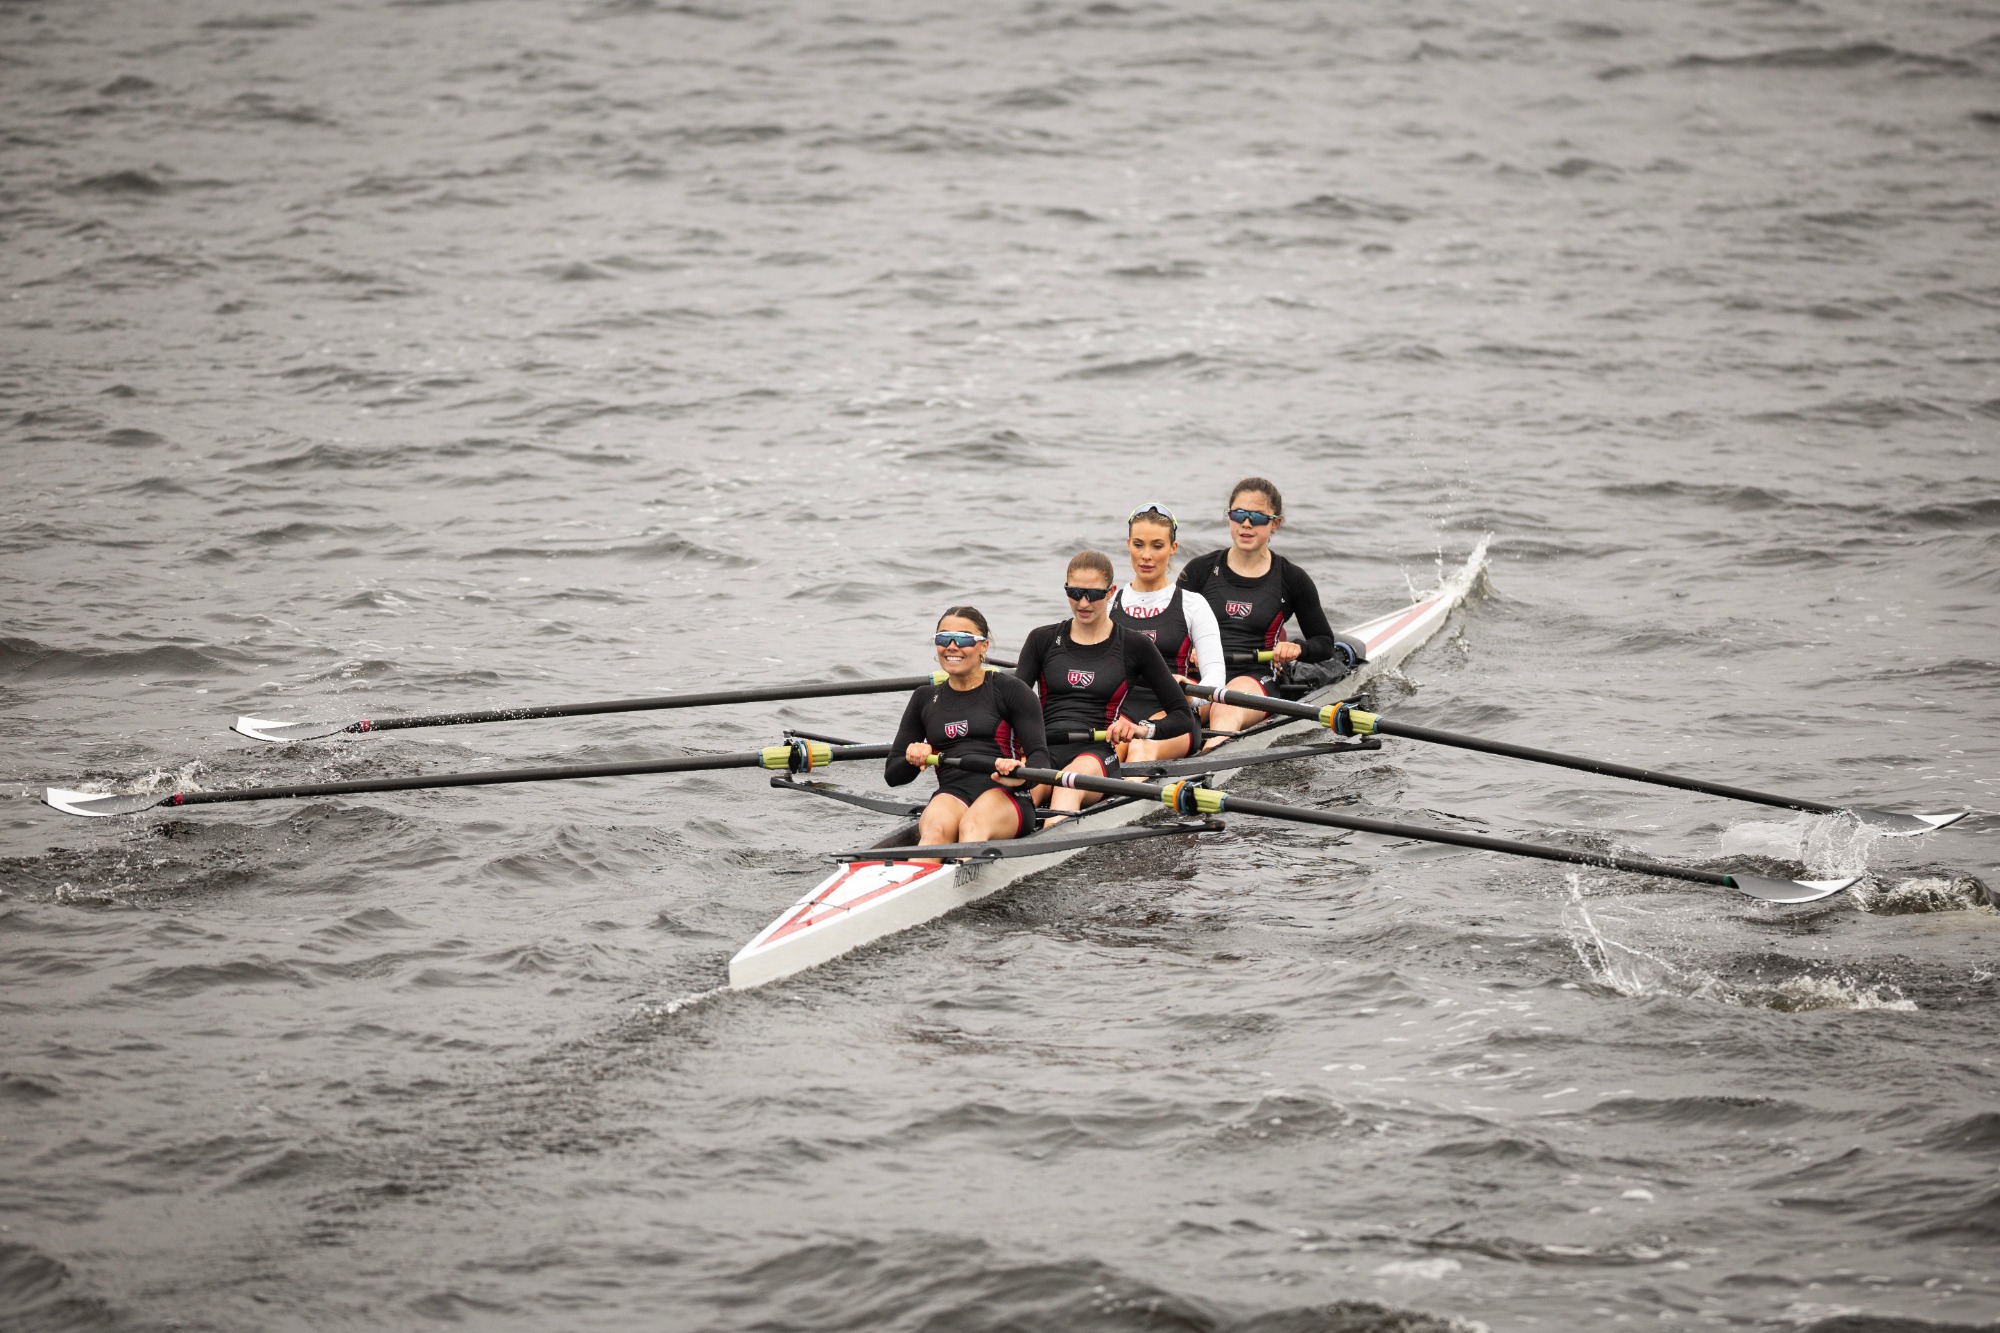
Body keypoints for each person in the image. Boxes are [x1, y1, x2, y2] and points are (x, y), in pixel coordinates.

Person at [1014, 550, 1196, 817]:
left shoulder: (1134, 645)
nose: (1083, 603)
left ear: (1111, 592)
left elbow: (1183, 716)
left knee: (1067, 787)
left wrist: (1142, 729)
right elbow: (1012, 706)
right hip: (1043, 749)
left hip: (1096, 753)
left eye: (1093, 594)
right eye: (1075, 593)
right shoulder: (1041, 639)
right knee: (1018, 795)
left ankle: (1054, 833)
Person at [1177, 477, 1351, 745]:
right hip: (1202, 674)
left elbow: (1324, 643)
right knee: (1174, 714)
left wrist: (1297, 649)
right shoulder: (1200, 571)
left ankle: (1210, 759)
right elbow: (1170, 627)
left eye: (1257, 517)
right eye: (1238, 515)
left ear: (1275, 523)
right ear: (1229, 517)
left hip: (1256, 675)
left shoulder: (1292, 579)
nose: (1246, 524)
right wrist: (1189, 648)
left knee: (1224, 708)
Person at [885, 606, 1051, 849]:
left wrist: (1020, 777)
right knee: (933, 832)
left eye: (963, 639)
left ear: (984, 646)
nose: (952, 646)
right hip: (952, 794)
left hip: (1006, 794)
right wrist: (913, 759)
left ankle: (964, 866)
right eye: (944, 638)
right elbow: (892, 775)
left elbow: (1041, 758)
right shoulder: (924, 698)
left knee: (972, 825)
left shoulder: (1011, 690)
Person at [1108, 503, 1224, 764]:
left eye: (1157, 546)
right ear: (1128, 545)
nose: (1146, 556)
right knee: (1104, 755)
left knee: (1141, 749)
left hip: (1174, 714)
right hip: (1119, 713)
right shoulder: (1109, 603)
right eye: (1139, 545)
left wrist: (1193, 694)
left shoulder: (1193, 604)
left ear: (1173, 548)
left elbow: (1216, 678)